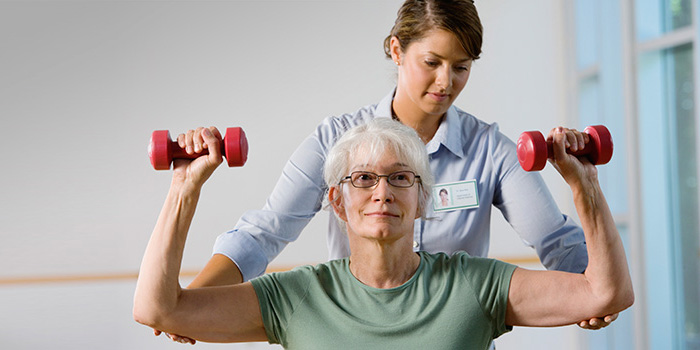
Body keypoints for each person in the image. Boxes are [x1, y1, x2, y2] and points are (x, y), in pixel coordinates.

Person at [158, 0, 615, 342]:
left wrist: (592, 293)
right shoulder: (335, 140)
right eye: (431, 63)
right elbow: (264, 233)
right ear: (397, 51)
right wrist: (195, 303)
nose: (445, 83)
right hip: (354, 331)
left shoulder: (491, 151)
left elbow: (556, 241)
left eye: (461, 68)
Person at [133, 119, 634, 349]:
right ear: (337, 201)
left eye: (401, 178)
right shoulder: (297, 296)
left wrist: (583, 184)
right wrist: (185, 186)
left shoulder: (473, 285)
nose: (382, 192)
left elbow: (605, 292)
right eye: (363, 179)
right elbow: (158, 309)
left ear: (421, 201)